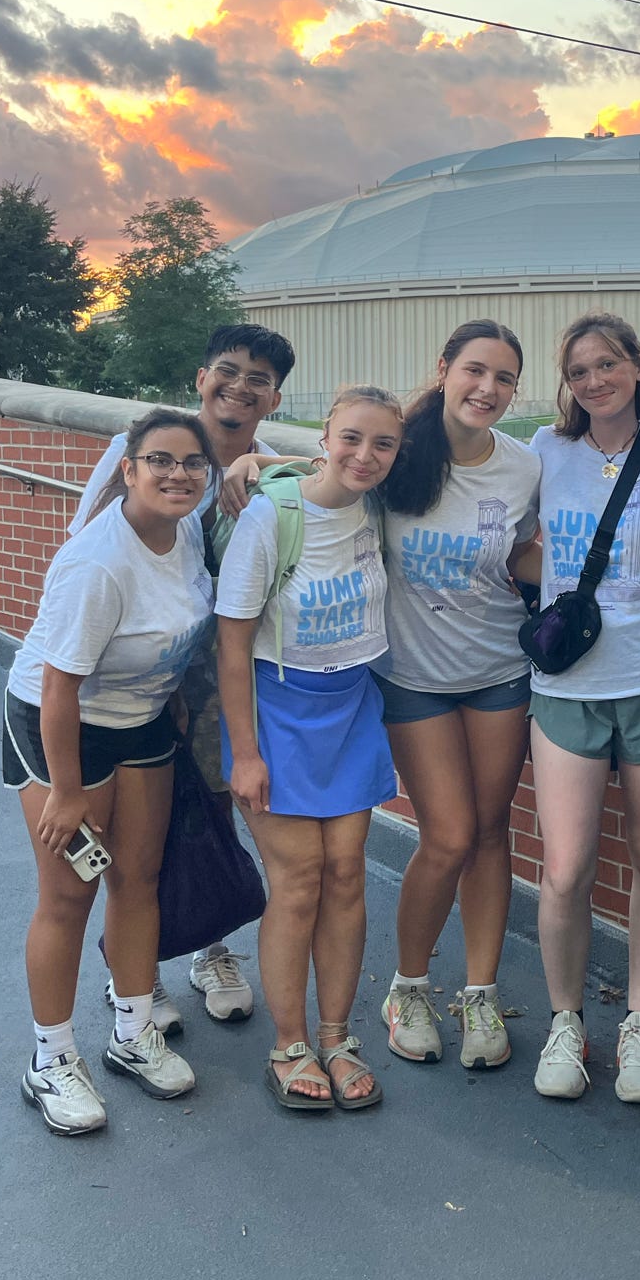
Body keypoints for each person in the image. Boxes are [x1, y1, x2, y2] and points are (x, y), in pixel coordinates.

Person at [69, 322, 295, 1033]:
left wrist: (263, 467)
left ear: (275, 398)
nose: (239, 388)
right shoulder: (147, 452)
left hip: (219, 676)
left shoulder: (273, 474)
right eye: (227, 371)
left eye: (258, 379)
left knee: (209, 811)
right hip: (136, 683)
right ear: (201, 379)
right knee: (141, 833)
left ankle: (208, 945)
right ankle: (132, 972)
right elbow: (87, 554)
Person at [6, 408, 216, 1136]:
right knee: (69, 894)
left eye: (192, 462)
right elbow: (60, 687)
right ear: (127, 470)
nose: (177, 474)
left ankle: (133, 1032)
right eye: (159, 460)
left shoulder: (187, 531)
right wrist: (65, 791)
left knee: (139, 876)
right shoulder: (99, 563)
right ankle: (52, 1059)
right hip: (61, 725)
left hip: (140, 719)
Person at [528, 312, 640, 1104]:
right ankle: (565, 1022)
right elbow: (443, 466)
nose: (595, 381)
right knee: (566, 868)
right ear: (566, 386)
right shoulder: (543, 450)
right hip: (567, 689)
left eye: (608, 364)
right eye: (579, 372)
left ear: (639, 367)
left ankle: (638, 1024)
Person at [216, 387, 404, 1112]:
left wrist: (264, 457)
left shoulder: (378, 507)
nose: (365, 455)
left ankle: (336, 1035)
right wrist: (245, 754)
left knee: (348, 874)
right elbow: (232, 644)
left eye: (383, 444)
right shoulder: (271, 515)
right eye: (351, 438)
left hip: (352, 707)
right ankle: (289, 1043)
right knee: (297, 880)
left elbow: (324, 467)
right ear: (326, 434)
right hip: (277, 711)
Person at [373, 322, 540, 1071]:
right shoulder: (396, 455)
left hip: (499, 671)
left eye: (504, 378)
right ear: (443, 370)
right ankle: (409, 986)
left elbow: (538, 549)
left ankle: (479, 991)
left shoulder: (524, 467)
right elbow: (327, 476)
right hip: (413, 678)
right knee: (445, 834)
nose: (488, 389)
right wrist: (257, 462)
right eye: (475, 370)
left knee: (490, 830)